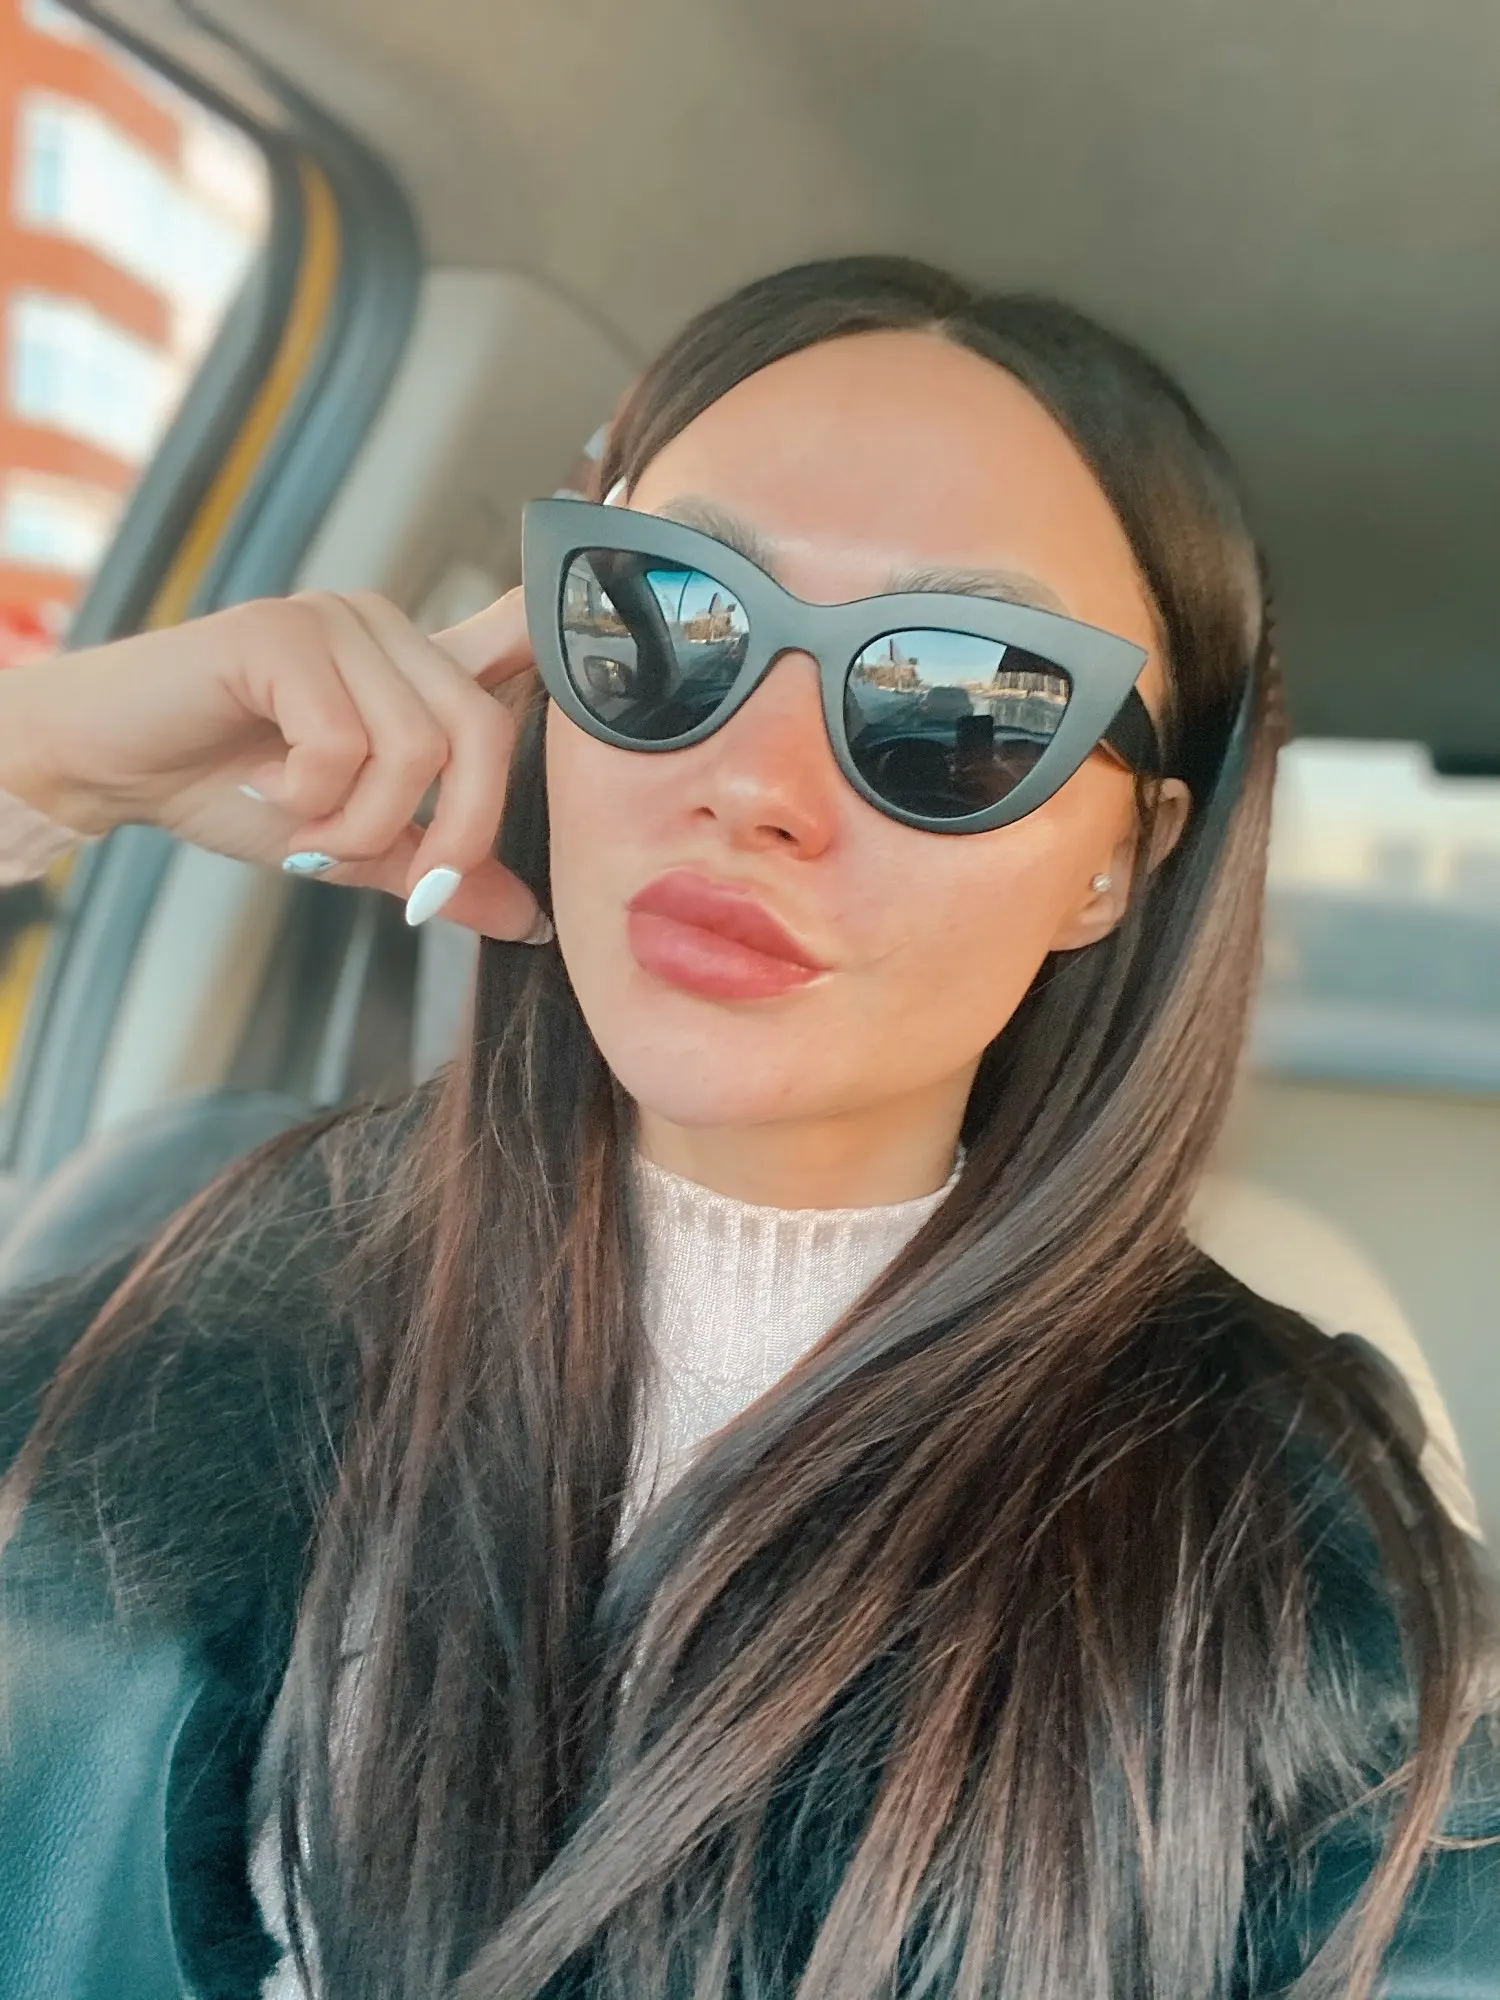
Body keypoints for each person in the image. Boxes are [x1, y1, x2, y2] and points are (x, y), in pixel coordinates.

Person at [0, 254, 1495, 2000]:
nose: (757, 786)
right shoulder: (179, 1283)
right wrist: (43, 767)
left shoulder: (1304, 1572)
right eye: (663, 617)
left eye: (962, 700)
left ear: (1119, 861)